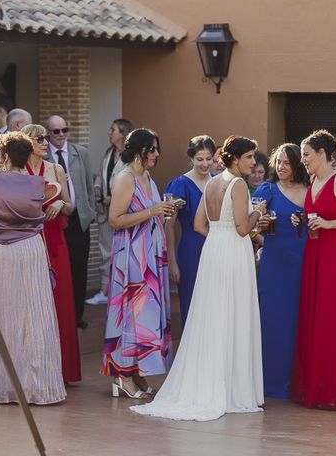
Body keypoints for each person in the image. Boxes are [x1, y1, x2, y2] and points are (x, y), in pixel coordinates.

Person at [132, 135, 265, 421]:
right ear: (235, 158)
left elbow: (197, 225)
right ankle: (232, 389)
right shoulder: (238, 184)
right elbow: (243, 229)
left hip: (213, 250)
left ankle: (210, 381)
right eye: (250, 157)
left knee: (211, 317)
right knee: (232, 315)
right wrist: (258, 213)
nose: (254, 163)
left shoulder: (213, 183)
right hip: (232, 253)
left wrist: (221, 236)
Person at [0, 131, 66, 404]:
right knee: (36, 317)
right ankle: (41, 386)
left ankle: (3, 387)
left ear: (7, 156)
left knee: (1, 317)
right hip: (32, 250)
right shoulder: (39, 184)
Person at [101, 128, 173, 399]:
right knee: (130, 313)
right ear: (139, 150)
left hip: (149, 254)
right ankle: (122, 375)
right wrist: (150, 211)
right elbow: (115, 219)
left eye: (157, 149)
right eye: (151, 149)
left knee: (146, 315)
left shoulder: (147, 176)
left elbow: (149, 212)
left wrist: (162, 211)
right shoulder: (126, 177)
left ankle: (136, 370)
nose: (156, 154)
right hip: (131, 255)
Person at [291, 129, 336, 410]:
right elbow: (314, 215)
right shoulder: (313, 181)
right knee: (314, 314)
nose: (303, 160)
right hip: (313, 253)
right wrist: (299, 218)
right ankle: (318, 386)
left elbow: (335, 218)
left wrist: (329, 225)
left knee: (331, 315)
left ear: (322, 153)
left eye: (306, 154)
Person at [22, 123, 81, 383]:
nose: (45, 143)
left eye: (46, 138)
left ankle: (62, 369)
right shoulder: (16, 171)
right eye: (39, 139)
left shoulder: (56, 169)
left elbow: (70, 207)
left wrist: (59, 202)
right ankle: (32, 367)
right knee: (30, 302)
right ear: (26, 143)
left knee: (60, 302)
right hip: (27, 240)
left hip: (56, 241)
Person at [253, 143, 308, 398]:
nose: (281, 167)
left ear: (297, 164)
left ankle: (294, 382)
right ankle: (267, 382)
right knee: (271, 321)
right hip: (273, 265)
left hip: (302, 263)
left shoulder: (310, 191)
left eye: (286, 162)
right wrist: (260, 227)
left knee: (297, 321)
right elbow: (251, 230)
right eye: (278, 162)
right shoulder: (268, 189)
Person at [45, 115, 96, 329]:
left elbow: (88, 185)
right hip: (54, 220)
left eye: (64, 130)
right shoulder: (43, 154)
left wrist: (89, 212)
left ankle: (77, 315)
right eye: (56, 131)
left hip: (78, 221)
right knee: (58, 269)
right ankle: (57, 315)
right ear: (48, 133)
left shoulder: (80, 153)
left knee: (78, 269)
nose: (61, 135)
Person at [165, 135, 216, 326]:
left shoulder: (218, 182)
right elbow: (169, 225)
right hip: (190, 251)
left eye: (209, 159)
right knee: (192, 303)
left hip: (216, 250)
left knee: (215, 304)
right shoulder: (180, 184)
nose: (205, 164)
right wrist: (172, 261)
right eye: (200, 159)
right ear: (191, 159)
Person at [87, 118, 134, 305]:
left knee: (122, 252)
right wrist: (98, 186)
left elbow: (128, 183)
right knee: (105, 251)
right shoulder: (109, 152)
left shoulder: (129, 157)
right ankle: (105, 291)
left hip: (122, 212)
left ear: (122, 133)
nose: (109, 132)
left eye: (112, 129)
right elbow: (101, 174)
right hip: (104, 211)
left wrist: (112, 198)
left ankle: (120, 291)